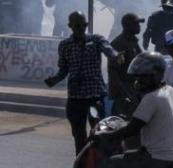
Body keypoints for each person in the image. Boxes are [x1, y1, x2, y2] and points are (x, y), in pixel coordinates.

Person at [44, 11, 120, 155]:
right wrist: (54, 79)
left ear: (87, 25)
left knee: (99, 134)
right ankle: (82, 163)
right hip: (75, 97)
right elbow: (64, 70)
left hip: (94, 96)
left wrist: (115, 56)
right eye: (77, 25)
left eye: (83, 25)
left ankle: (101, 163)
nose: (80, 28)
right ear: (70, 26)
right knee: (79, 136)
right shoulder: (65, 45)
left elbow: (108, 49)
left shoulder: (96, 40)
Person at [109, 13, 145, 117]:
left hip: (134, 90)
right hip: (125, 94)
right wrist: (125, 95)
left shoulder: (133, 42)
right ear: (128, 25)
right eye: (136, 24)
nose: (139, 27)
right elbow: (114, 72)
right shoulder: (119, 44)